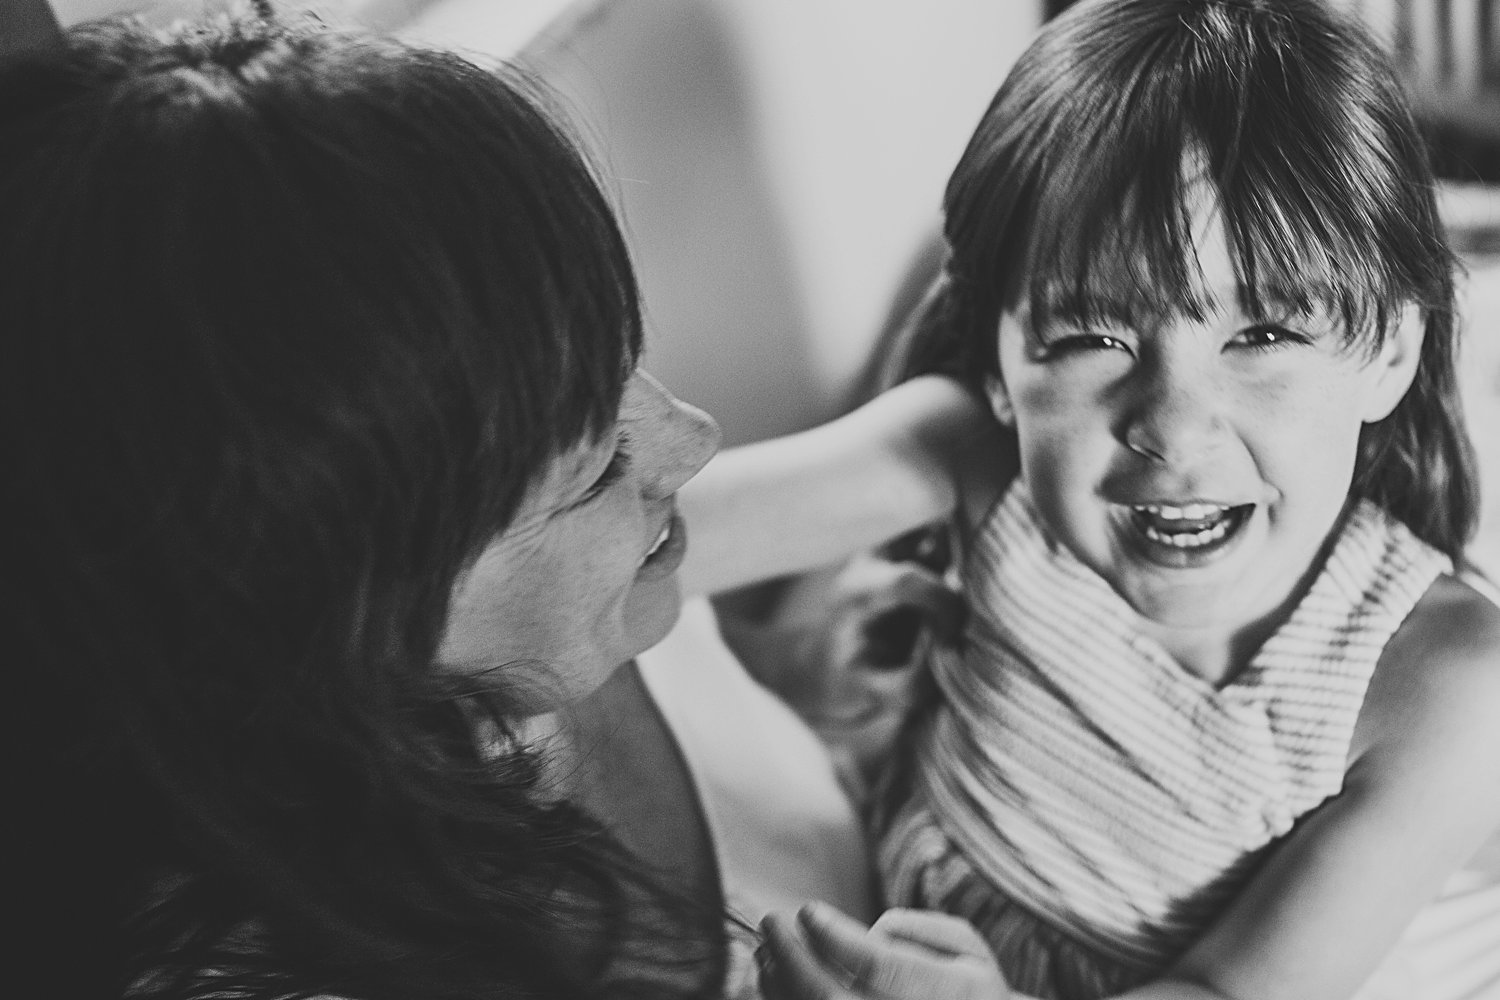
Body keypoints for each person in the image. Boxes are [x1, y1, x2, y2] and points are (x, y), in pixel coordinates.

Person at [3, 6, 1000, 998]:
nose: (692, 439)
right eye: (597, 466)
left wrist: (813, 725)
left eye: (625, 369)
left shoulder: (615, 578)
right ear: (346, 625)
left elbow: (923, 446)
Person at [755, 1, 1500, 998]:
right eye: (1092, 339)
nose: (1174, 425)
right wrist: (794, 676)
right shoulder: (973, 457)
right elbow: (648, 527)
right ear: (995, 364)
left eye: (1265, 333)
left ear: (1392, 353)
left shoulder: (1447, 682)